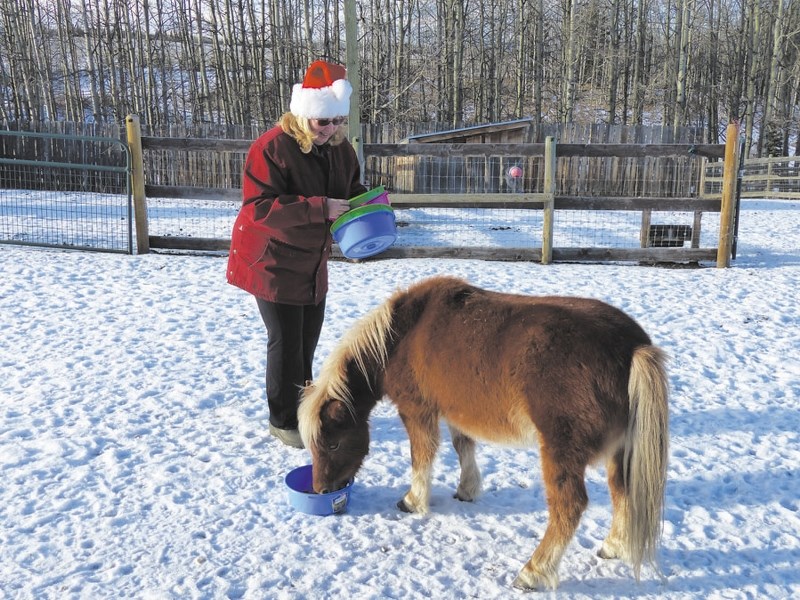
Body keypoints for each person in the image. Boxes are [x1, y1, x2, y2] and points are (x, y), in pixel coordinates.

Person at [227, 60, 367, 448]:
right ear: (303, 114)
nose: (331, 130)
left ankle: (306, 406)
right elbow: (258, 208)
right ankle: (284, 419)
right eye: (323, 123)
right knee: (286, 341)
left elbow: (351, 188)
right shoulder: (271, 148)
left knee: (307, 340)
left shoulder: (340, 150)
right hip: (271, 259)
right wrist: (319, 208)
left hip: (311, 260)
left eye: (338, 121)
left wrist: (368, 205)